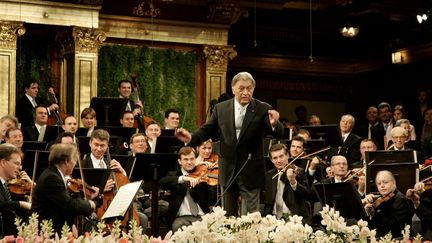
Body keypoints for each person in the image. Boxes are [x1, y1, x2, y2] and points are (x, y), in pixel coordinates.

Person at [176, 71, 284, 217]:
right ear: (233, 89)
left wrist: (274, 124)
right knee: (228, 217)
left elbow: (279, 133)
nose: (245, 92)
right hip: (228, 169)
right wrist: (190, 137)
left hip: (251, 169)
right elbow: (206, 130)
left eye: (249, 88)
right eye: (241, 88)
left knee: (253, 217)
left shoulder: (262, 108)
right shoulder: (221, 109)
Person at [31, 143, 99, 234]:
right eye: (74, 160)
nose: (75, 164)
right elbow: (68, 204)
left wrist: (88, 198)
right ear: (67, 161)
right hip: (48, 231)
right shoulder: (51, 178)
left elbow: (65, 201)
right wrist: (90, 204)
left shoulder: (54, 174)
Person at [159, 146, 210, 231]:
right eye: (186, 159)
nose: (189, 162)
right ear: (179, 161)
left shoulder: (202, 174)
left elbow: (210, 198)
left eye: (192, 159)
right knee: (179, 228)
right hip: (181, 218)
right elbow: (162, 182)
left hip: (201, 216)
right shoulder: (174, 175)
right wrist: (184, 178)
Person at [263, 143, 311, 224]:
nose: (278, 161)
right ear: (271, 160)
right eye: (275, 158)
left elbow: (307, 194)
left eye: (281, 156)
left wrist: (293, 181)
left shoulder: (299, 172)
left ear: (287, 155)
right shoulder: (269, 175)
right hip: (273, 219)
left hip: (293, 219)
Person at [362, 170, 412, 238]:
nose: (382, 186)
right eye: (379, 184)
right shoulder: (381, 200)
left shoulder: (400, 199)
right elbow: (371, 227)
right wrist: (368, 213)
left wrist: (375, 213)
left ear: (394, 183)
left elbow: (389, 226)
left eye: (385, 182)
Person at [0, 144, 32, 236]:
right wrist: (21, 204)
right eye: (16, 163)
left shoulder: (4, 184)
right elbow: (1, 204)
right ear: (3, 162)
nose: (20, 168)